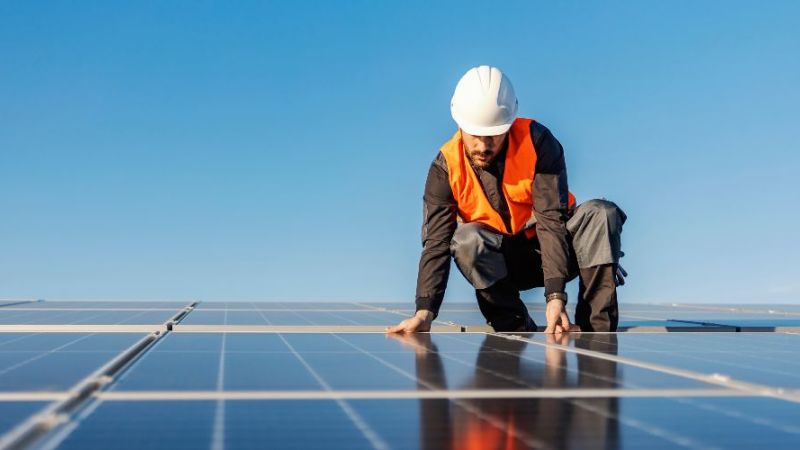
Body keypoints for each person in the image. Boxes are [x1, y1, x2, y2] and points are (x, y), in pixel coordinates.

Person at [387, 65, 627, 334]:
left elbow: (551, 219)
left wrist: (556, 296)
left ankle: (596, 331)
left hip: (558, 247)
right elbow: (436, 244)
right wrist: (424, 312)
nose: (483, 146)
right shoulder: (445, 169)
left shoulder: (538, 142)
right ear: (460, 124)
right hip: (503, 263)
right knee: (466, 241)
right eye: (476, 135)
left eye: (493, 136)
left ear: (509, 124)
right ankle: (514, 326)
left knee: (600, 214)